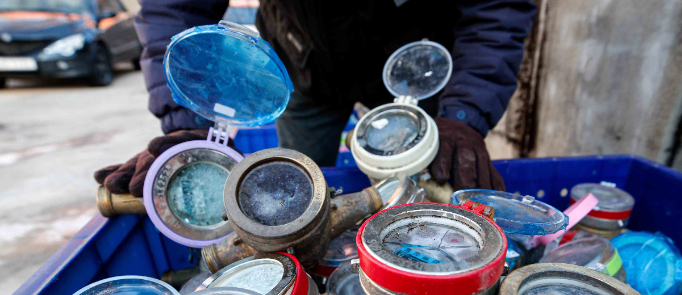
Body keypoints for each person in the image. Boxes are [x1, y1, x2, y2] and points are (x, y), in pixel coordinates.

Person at [95, 0, 537, 196]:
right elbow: (178, 7)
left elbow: (495, 10)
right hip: (300, 68)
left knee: (429, 182)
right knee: (294, 184)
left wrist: (464, 112)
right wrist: (189, 116)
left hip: (411, 70)